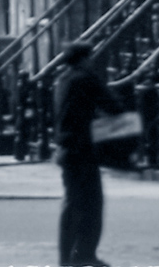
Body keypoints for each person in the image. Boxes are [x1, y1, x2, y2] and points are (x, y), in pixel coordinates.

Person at [53, 41, 121, 267]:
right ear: (84, 59)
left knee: (72, 203)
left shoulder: (62, 80)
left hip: (65, 148)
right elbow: (112, 106)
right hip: (82, 149)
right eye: (90, 58)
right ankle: (84, 254)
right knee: (91, 204)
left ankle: (66, 258)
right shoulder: (85, 79)